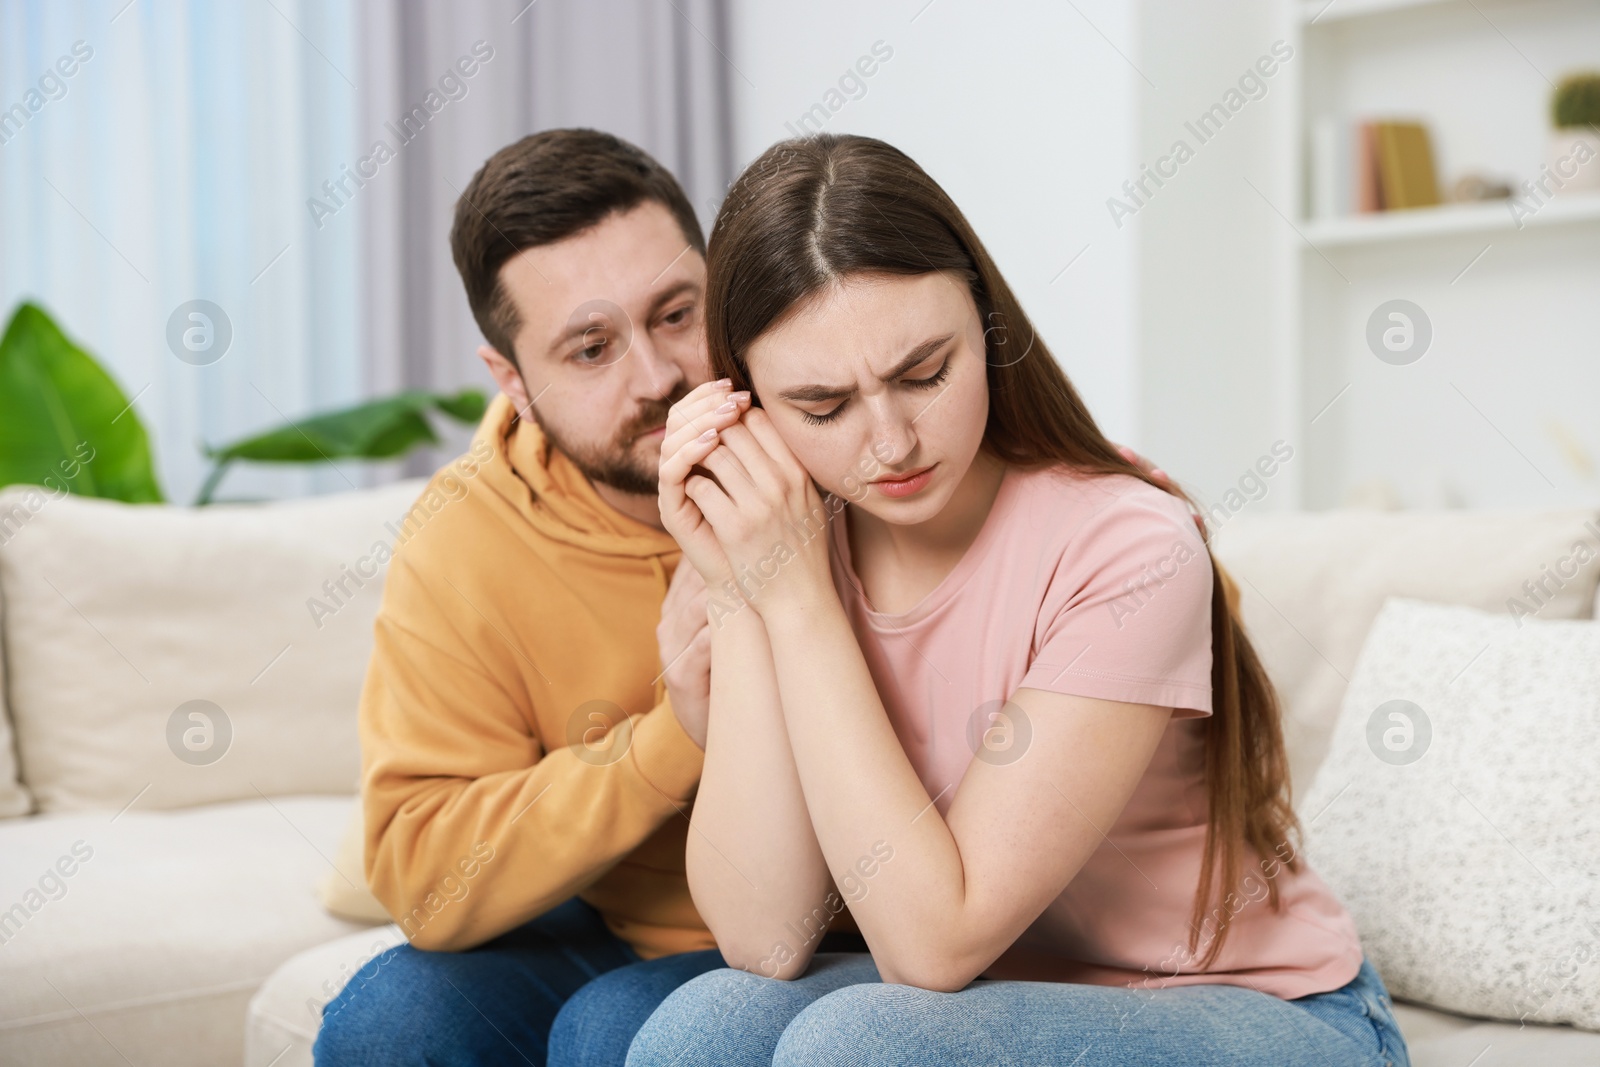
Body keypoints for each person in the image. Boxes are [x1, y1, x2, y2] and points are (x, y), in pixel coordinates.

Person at [617, 132, 1413, 1066]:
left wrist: (797, 602)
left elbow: (933, 943)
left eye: (924, 374)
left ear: (987, 326)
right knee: (701, 1027)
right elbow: (764, 937)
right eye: (823, 407)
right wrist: (744, 586)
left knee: (860, 1043)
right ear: (747, 404)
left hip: (1260, 1010)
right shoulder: (784, 534)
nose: (892, 442)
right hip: (996, 1004)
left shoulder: (1130, 545)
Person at [312, 128, 753, 1067]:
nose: (659, 376)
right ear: (512, 380)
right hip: (615, 924)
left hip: (833, 937)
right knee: (389, 1022)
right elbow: (422, 872)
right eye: (591, 348)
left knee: (617, 1033)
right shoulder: (464, 537)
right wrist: (671, 738)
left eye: (677, 312)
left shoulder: (819, 416)